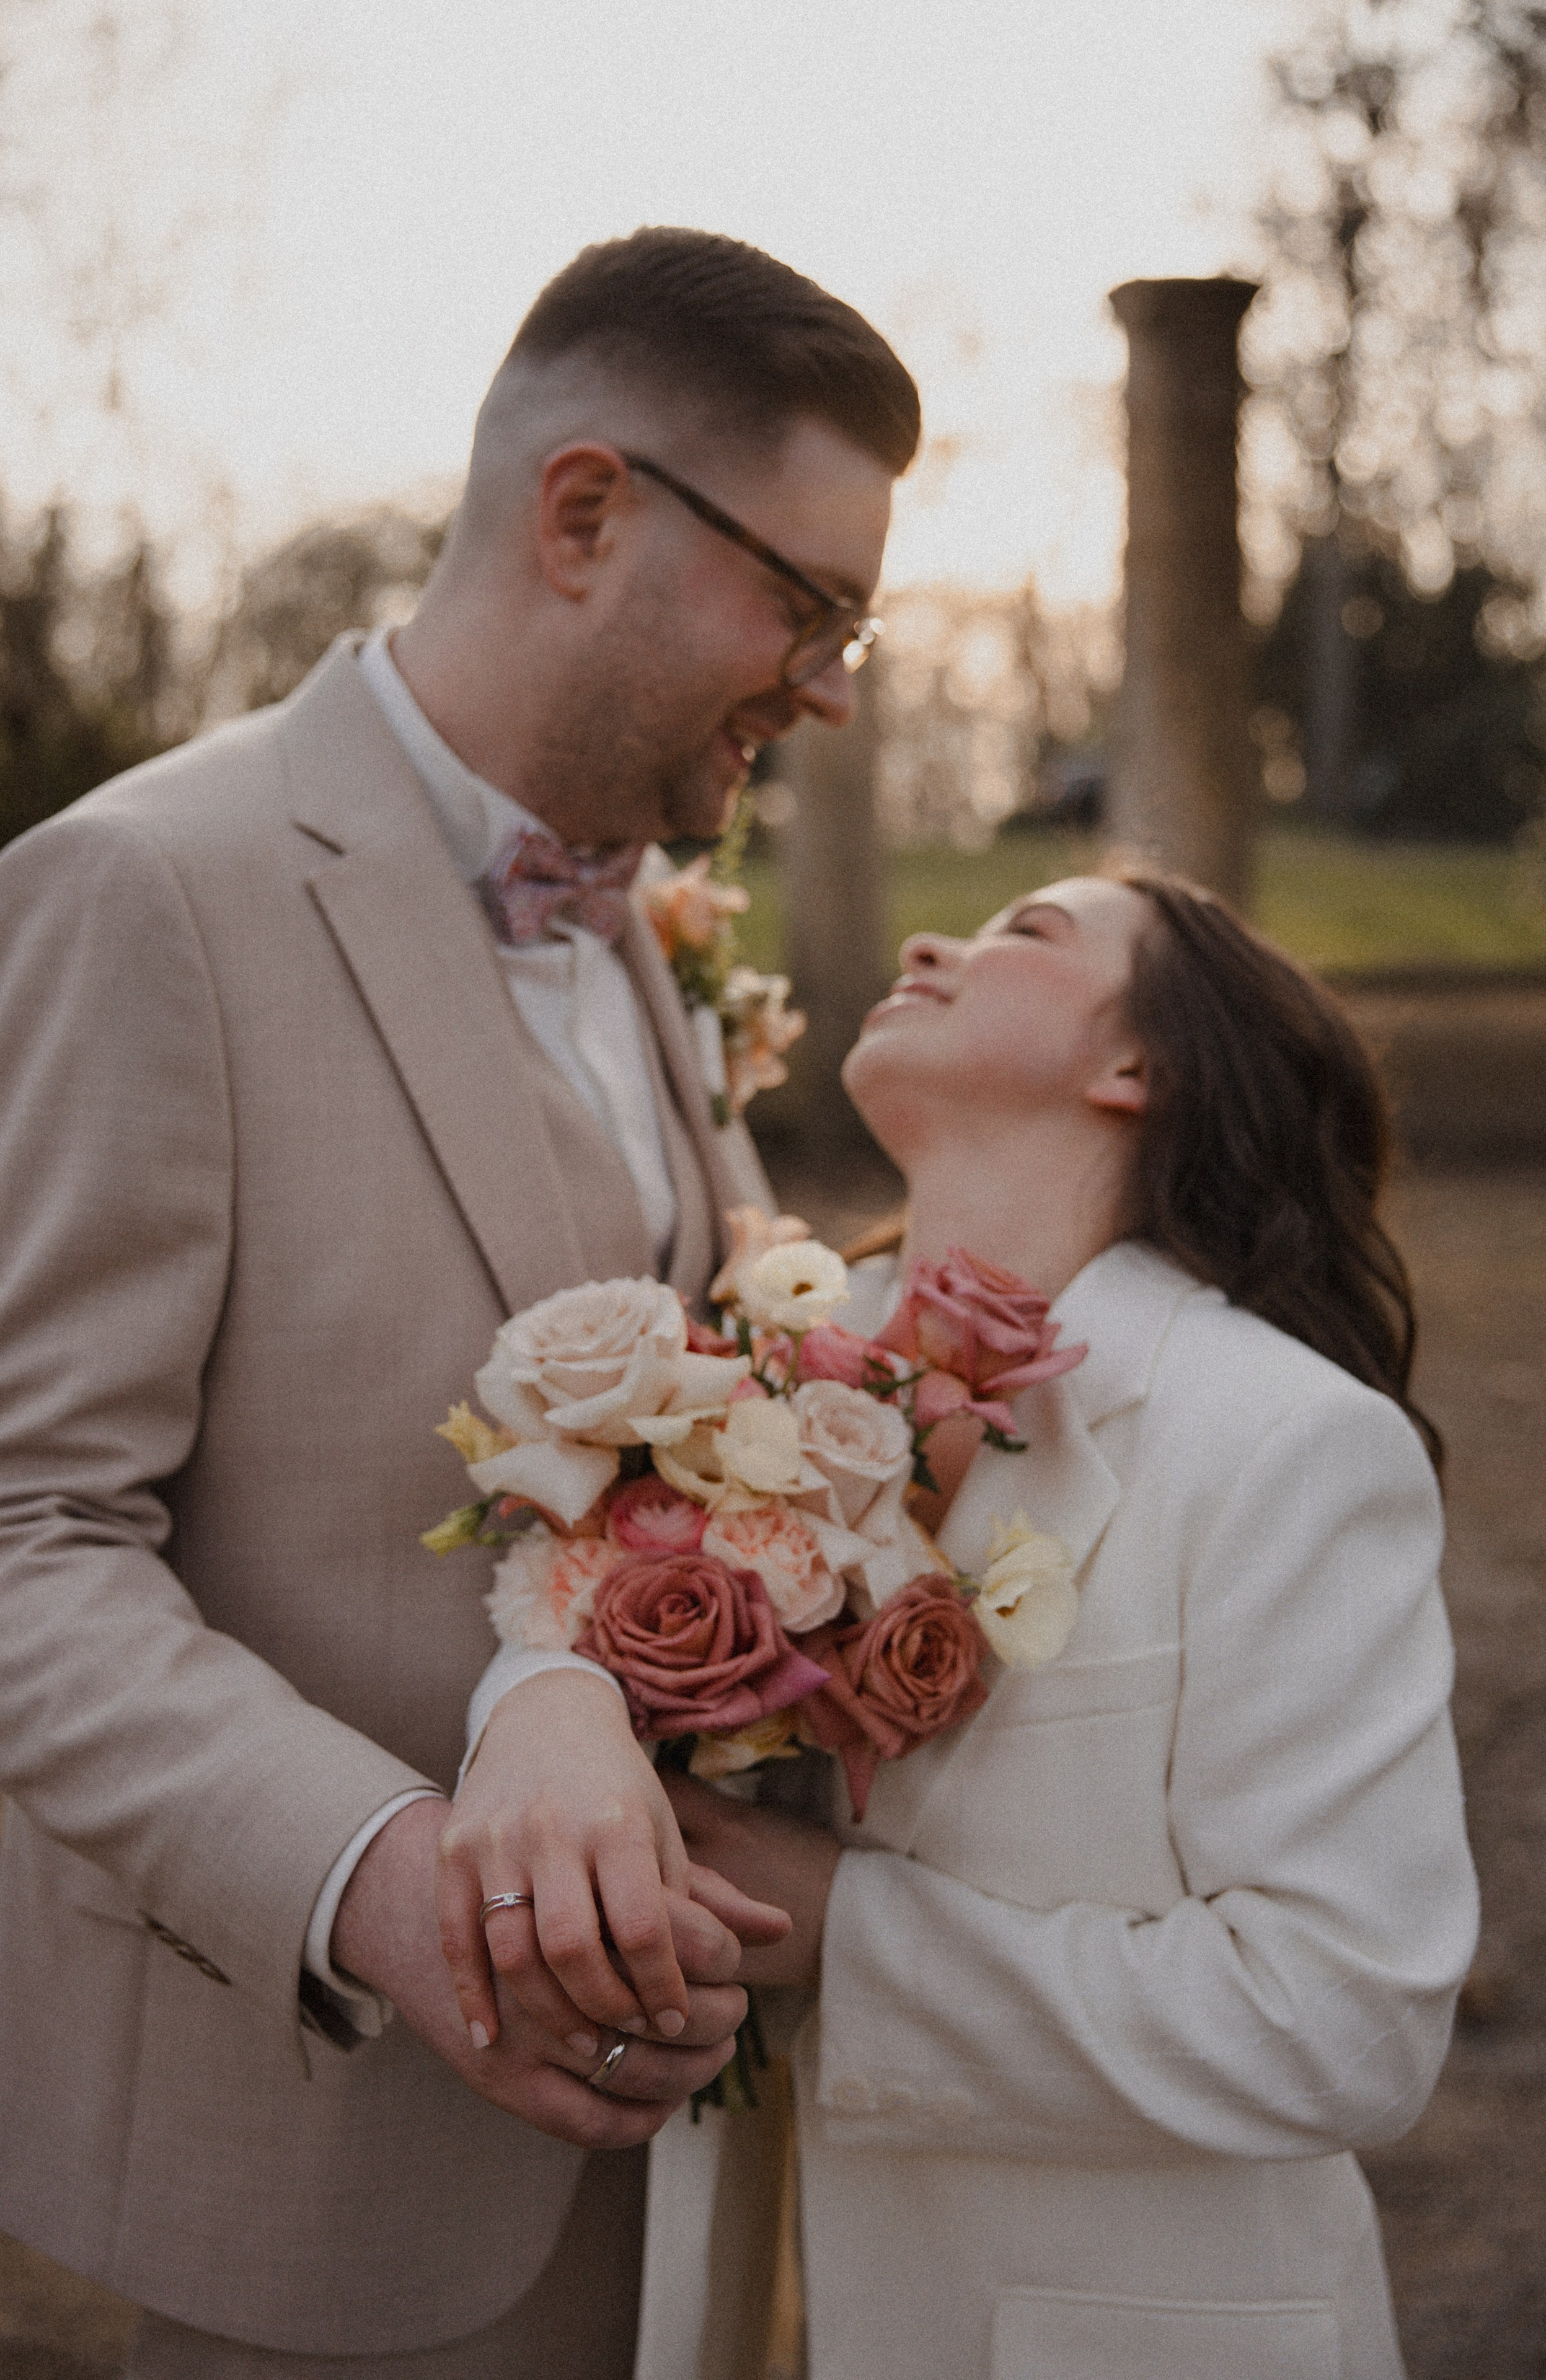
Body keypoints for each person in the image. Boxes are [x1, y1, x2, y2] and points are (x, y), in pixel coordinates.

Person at [0, 227, 919, 2378]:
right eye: (812, 604)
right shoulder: (145, 891)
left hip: (695, 2158)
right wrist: (385, 1879)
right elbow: (26, 1540)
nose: (837, 683)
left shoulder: (650, 913)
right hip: (338, 2166)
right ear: (586, 513)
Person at [665, 870, 1481, 2380]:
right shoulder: (755, 1364)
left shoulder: (1285, 1445)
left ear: (1135, 1071)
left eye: (1022, 933)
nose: (924, 941)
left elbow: (1341, 2021)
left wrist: (851, 1933)